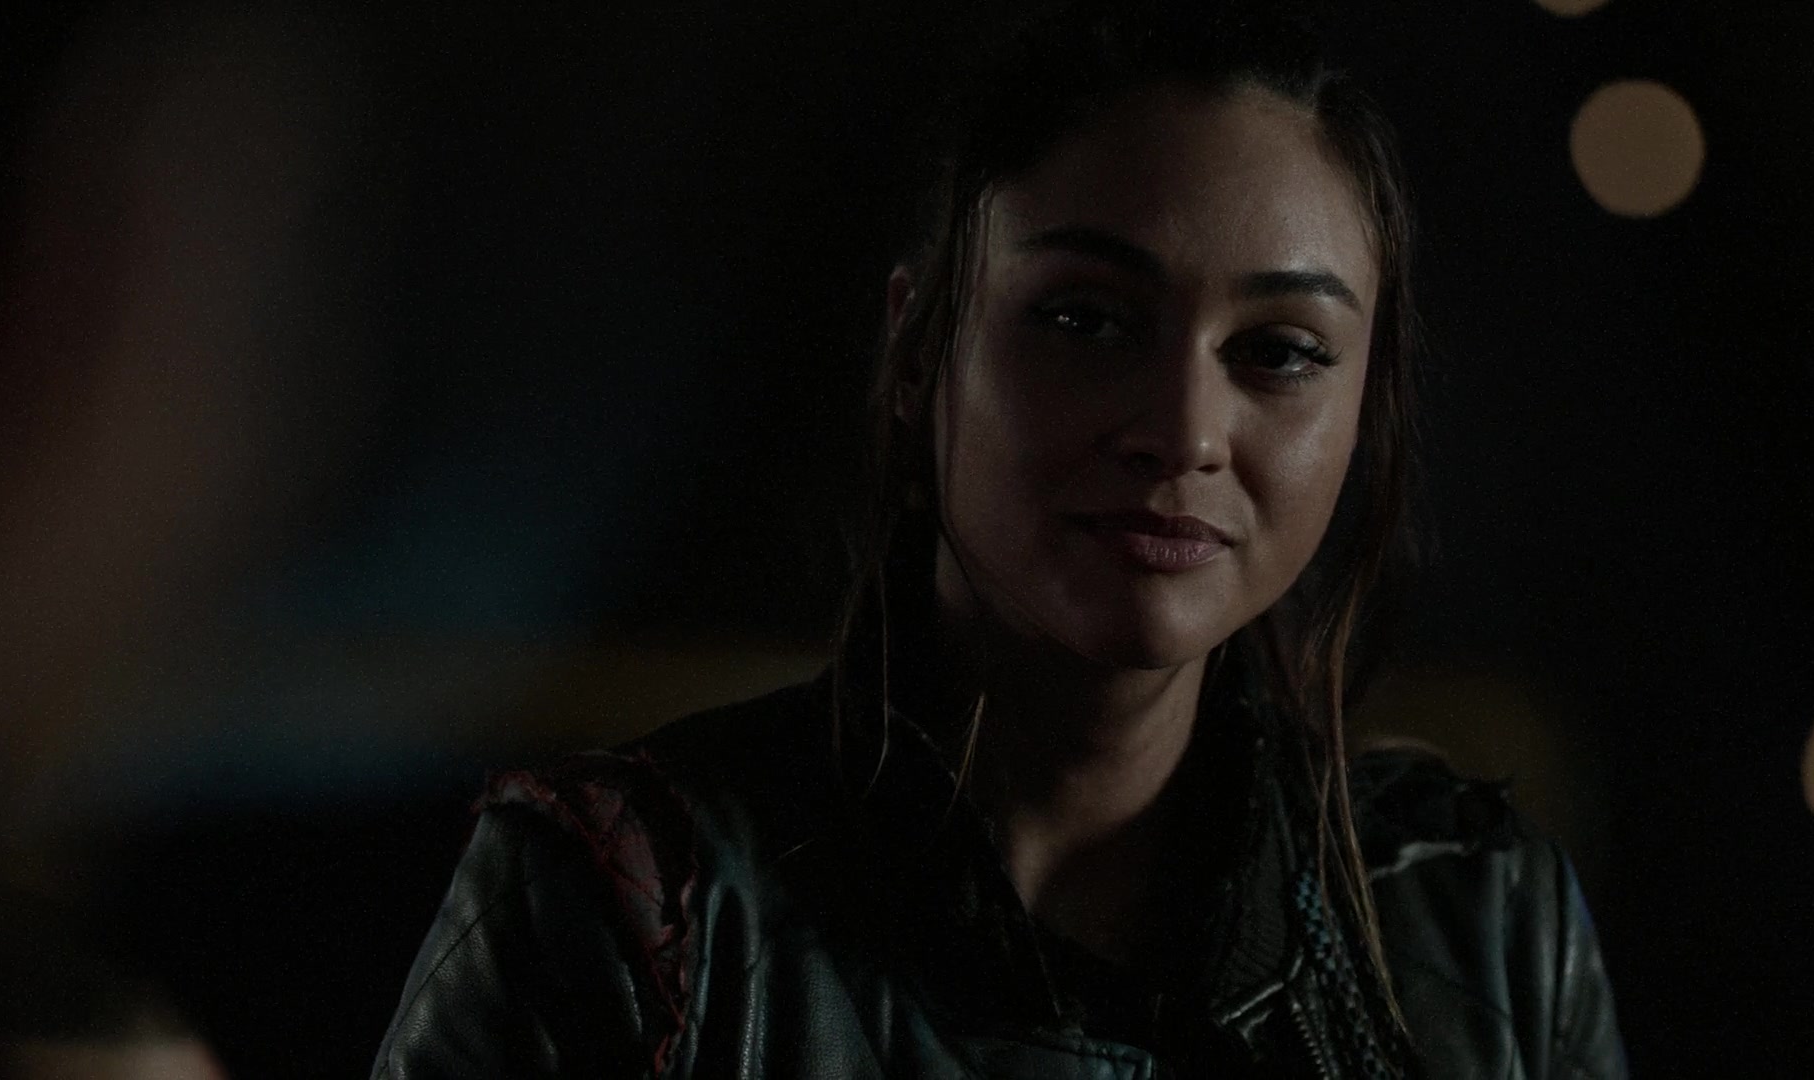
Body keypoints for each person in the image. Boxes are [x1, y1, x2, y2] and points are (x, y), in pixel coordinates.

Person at [372, 2, 1628, 1076]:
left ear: (1366, 407)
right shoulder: (624, 906)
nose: (1183, 431)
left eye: (1280, 351)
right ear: (920, 346)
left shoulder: (1481, 924)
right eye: (1087, 321)